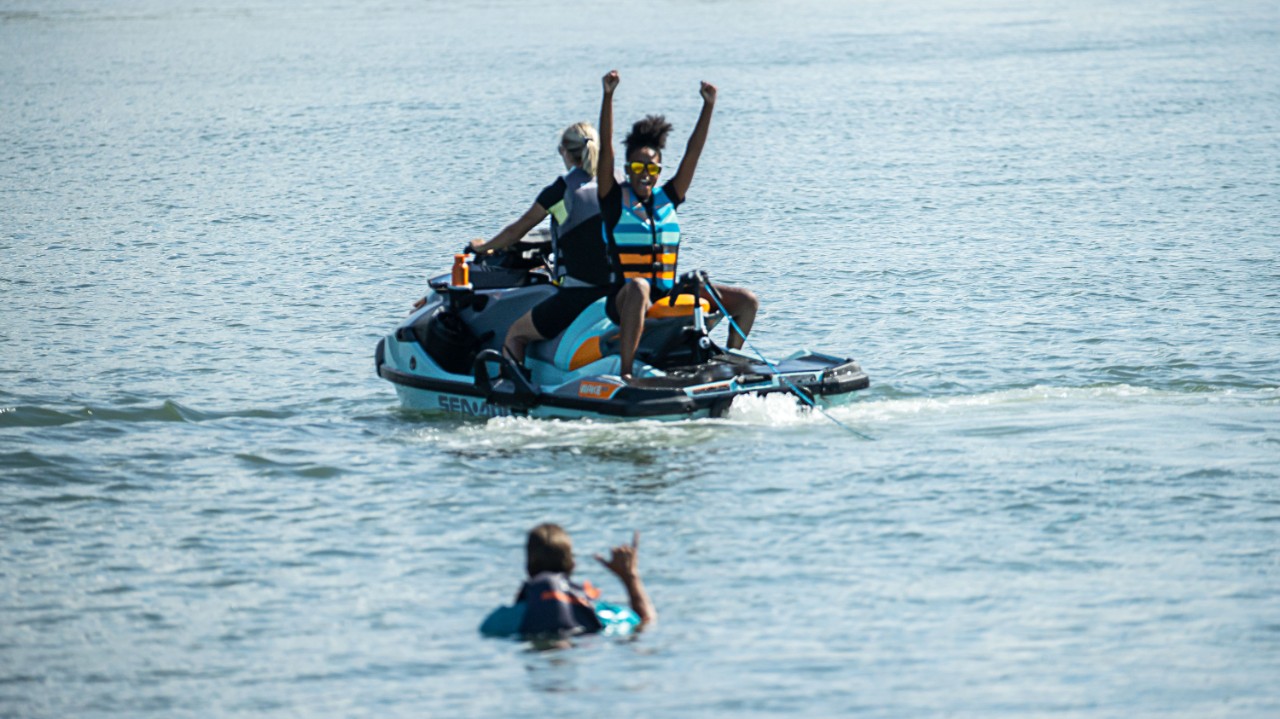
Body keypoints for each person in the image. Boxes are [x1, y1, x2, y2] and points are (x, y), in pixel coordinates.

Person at [597, 69, 760, 380]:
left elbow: (693, 153)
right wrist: (608, 97)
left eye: (652, 168)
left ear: (659, 171)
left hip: (665, 293)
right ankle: (628, 373)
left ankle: (733, 363)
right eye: (637, 167)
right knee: (639, 286)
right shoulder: (613, 199)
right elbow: (607, 150)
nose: (645, 174)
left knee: (747, 301)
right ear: (627, 170)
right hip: (625, 298)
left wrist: (708, 106)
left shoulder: (668, 198)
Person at [414, 122, 614, 365]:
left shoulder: (562, 189)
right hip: (616, 291)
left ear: (564, 151)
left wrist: (484, 247)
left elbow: (517, 230)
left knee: (516, 334)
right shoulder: (617, 183)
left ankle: (510, 393)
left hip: (578, 294)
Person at [479, 523, 656, 640]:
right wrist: (630, 578)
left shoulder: (500, 621)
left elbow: (486, 632)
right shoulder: (599, 614)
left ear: (527, 566)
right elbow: (645, 622)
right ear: (572, 565)